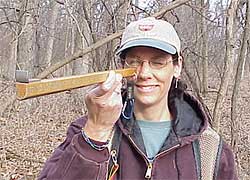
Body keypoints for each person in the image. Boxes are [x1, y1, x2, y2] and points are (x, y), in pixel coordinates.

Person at [38, 17, 238, 180]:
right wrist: (96, 132)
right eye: (134, 62)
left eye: (158, 62)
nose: (144, 73)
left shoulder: (208, 147)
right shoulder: (85, 131)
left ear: (177, 66)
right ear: (122, 66)